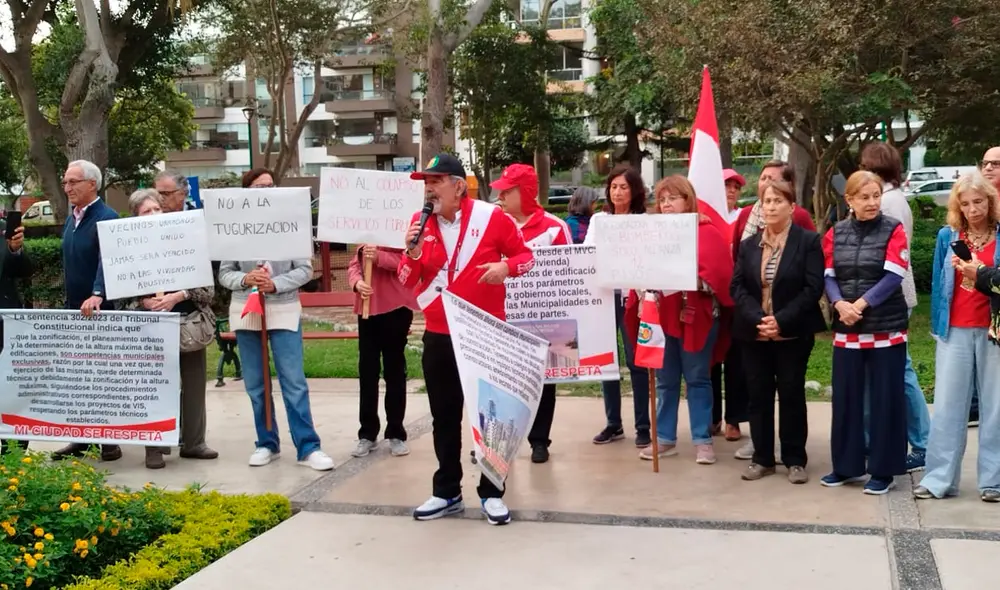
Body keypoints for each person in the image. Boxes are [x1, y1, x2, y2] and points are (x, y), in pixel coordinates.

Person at [399, 153, 534, 526]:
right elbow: (408, 280)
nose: (428, 188)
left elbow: (526, 257)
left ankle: (492, 492)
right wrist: (409, 252)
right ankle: (447, 491)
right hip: (440, 334)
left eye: (436, 180)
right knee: (444, 416)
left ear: (458, 186)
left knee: (491, 417)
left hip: (485, 334)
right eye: (425, 181)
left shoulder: (492, 218)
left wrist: (506, 267)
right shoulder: (418, 223)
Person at [217, 168, 334, 472]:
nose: (266, 191)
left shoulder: (290, 223)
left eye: (270, 186)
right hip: (247, 312)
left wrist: (276, 283)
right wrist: (246, 279)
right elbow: (224, 273)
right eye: (258, 187)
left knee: (293, 382)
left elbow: (305, 270)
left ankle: (308, 446)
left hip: (283, 310)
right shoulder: (234, 228)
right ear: (247, 193)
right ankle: (266, 442)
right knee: (257, 384)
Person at [625, 175, 733, 465]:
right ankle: (665, 438)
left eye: (673, 198)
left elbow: (722, 278)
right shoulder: (653, 233)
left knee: (698, 378)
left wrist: (690, 280)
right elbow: (640, 270)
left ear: (688, 200)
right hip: (661, 316)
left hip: (697, 317)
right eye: (662, 199)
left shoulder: (706, 232)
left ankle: (702, 440)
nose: (666, 204)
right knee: (665, 380)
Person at [730, 180, 825, 483]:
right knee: (757, 396)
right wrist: (759, 318)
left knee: (792, 394)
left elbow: (813, 288)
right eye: (766, 202)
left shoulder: (807, 241)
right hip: (754, 332)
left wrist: (780, 320)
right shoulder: (748, 245)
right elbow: (738, 287)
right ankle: (762, 458)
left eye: (777, 201)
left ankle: (794, 459)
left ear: (791, 207)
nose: (770, 207)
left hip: (792, 333)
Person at [821, 170, 909, 495]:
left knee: (886, 399)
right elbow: (828, 274)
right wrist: (839, 304)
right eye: (864, 197)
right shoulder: (836, 232)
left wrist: (859, 304)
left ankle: (883, 471)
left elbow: (894, 274)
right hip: (848, 329)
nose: (872, 202)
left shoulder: (893, 228)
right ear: (850, 200)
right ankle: (846, 466)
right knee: (846, 399)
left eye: (876, 196)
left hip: (886, 327)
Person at [117, 189, 219, 469]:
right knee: (156, 388)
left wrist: (179, 295)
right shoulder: (127, 251)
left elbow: (208, 292)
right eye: (146, 212)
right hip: (151, 329)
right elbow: (120, 296)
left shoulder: (186, 241)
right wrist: (143, 301)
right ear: (135, 217)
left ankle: (194, 442)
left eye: (157, 210)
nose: (153, 216)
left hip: (188, 324)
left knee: (195, 384)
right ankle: (155, 446)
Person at [915, 173, 1000, 502]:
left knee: (995, 406)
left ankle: (993, 481)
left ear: (990, 201)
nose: (973, 209)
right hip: (956, 328)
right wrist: (938, 327)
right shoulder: (947, 236)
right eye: (965, 204)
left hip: (993, 329)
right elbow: (938, 285)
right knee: (949, 405)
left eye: (978, 201)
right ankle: (938, 479)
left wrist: (977, 274)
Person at [491, 163, 572, 464]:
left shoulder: (555, 228)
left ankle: (539, 440)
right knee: (501, 381)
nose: (499, 195)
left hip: (542, 321)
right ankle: (497, 440)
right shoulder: (494, 224)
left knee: (543, 381)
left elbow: (569, 274)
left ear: (525, 192)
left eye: (506, 190)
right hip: (502, 317)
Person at [859, 142, 929, 473]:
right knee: (892, 371)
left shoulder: (887, 202)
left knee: (901, 371)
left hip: (890, 296)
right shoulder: (894, 197)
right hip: (890, 295)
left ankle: (922, 442)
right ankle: (889, 439)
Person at [51, 160, 123, 462]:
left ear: (91, 184)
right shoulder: (73, 219)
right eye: (66, 182)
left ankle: (109, 442)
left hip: (99, 313)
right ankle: (80, 439)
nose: (67, 188)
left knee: (101, 380)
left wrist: (98, 293)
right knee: (78, 379)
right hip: (74, 313)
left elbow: (109, 261)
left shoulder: (107, 217)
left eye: (73, 182)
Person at [583, 165, 652, 448]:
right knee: (606, 363)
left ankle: (643, 426)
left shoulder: (645, 221)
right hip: (603, 297)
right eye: (613, 187)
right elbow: (587, 252)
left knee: (637, 362)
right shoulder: (599, 220)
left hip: (632, 298)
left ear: (634, 190)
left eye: (624, 187)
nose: (618, 192)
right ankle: (614, 423)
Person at [347, 242, 418, 459]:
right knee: (367, 371)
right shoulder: (366, 233)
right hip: (368, 308)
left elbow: (407, 263)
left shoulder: (401, 232)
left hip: (397, 307)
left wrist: (379, 257)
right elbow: (354, 265)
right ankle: (367, 434)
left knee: (394, 371)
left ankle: (396, 432)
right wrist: (357, 282)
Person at [0, 217, 32, 455]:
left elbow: (25, 270)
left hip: (4, 321)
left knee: (9, 385)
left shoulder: (4, 232)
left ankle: (14, 452)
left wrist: (15, 249)